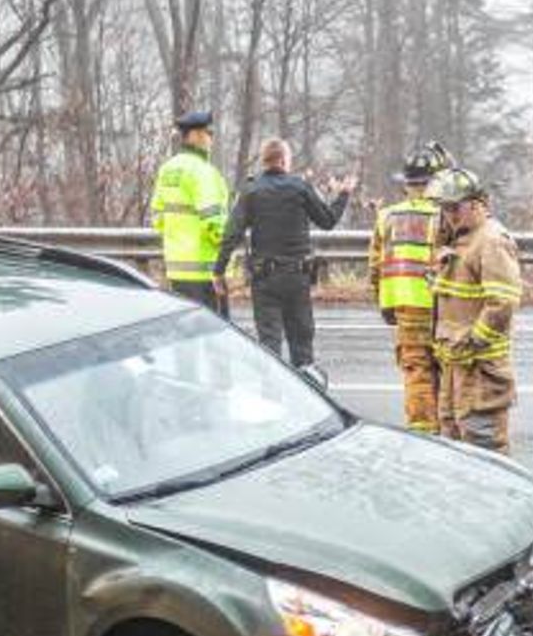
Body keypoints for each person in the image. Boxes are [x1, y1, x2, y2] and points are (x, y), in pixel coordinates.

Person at [214, 138, 354, 369]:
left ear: (264, 161)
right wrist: (343, 195)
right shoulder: (299, 187)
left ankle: (273, 397)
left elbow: (232, 234)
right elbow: (328, 221)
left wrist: (219, 271)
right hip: (296, 278)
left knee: (269, 347)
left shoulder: (251, 190)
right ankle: (307, 396)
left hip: (264, 280)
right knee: (302, 346)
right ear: (282, 160)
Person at [427, 166, 519, 452]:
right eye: (444, 208)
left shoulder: (491, 240)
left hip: (480, 368)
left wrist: (474, 341)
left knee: (484, 446)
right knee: (453, 441)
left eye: (455, 208)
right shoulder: (459, 239)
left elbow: (502, 303)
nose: (449, 215)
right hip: (455, 363)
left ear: (477, 204)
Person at [367, 143, 451, 433]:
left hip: (404, 306)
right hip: (440, 306)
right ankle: (448, 426)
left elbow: (376, 267)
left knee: (416, 369)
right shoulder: (445, 216)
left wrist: (385, 305)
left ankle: (423, 430)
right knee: (447, 367)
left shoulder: (386, 216)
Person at [148, 110, 231, 315]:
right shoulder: (203, 171)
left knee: (187, 335)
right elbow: (215, 224)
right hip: (205, 272)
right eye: (208, 133)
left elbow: (158, 219)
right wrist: (227, 253)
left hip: (176, 269)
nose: (211, 138)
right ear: (195, 136)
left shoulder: (167, 169)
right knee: (214, 338)